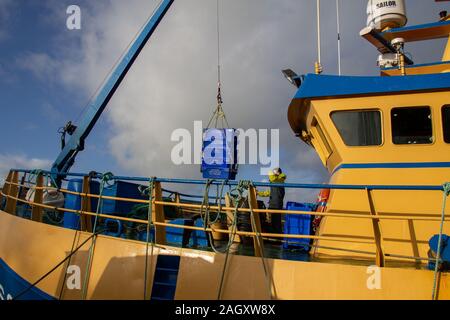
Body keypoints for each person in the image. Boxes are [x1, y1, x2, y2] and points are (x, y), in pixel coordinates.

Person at [257, 167, 286, 235]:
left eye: (274, 171)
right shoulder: (276, 181)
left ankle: (277, 235)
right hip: (273, 203)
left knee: (276, 221)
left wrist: (271, 173)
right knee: (273, 221)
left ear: (278, 173)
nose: (272, 173)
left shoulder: (280, 179)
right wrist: (258, 193)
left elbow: (272, 178)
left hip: (276, 204)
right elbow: (269, 192)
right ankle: (274, 234)